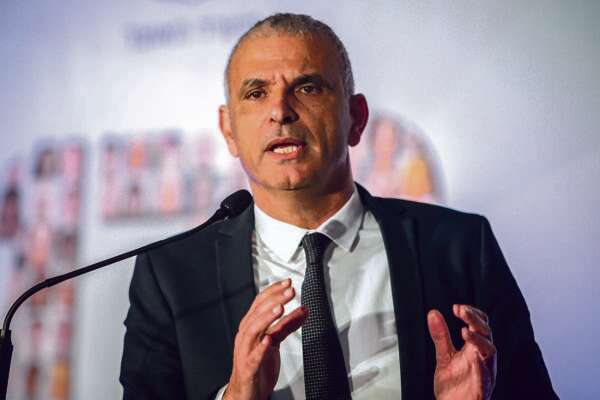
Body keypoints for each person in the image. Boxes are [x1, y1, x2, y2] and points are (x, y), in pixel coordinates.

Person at [120, 13, 557, 400]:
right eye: (255, 93)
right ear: (228, 129)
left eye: (307, 87)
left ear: (356, 117)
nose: (280, 111)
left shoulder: (458, 246)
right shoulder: (170, 275)